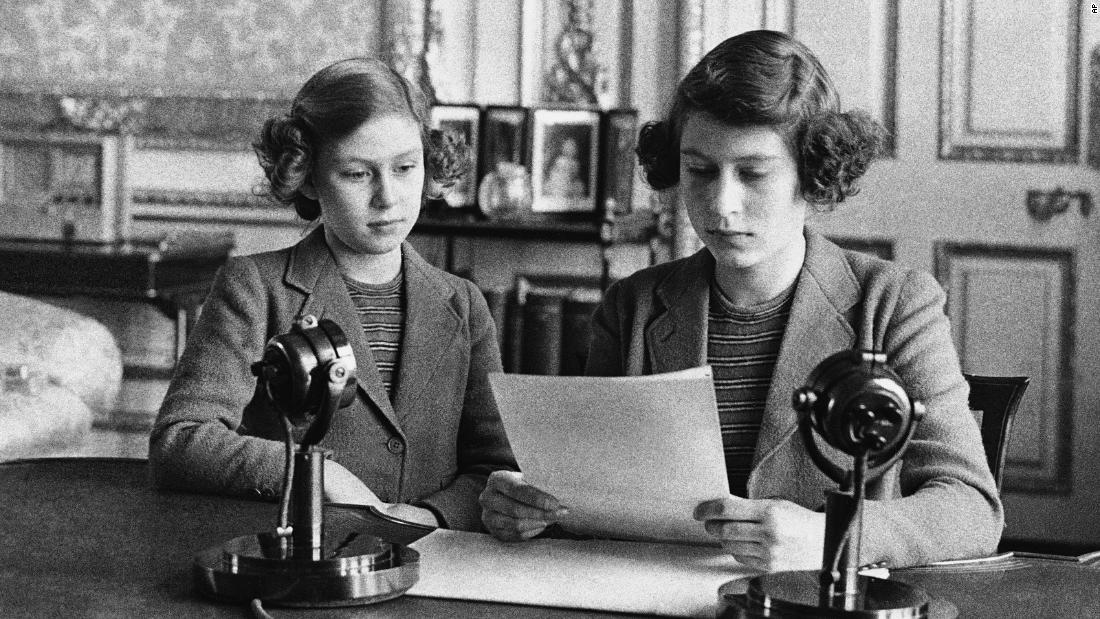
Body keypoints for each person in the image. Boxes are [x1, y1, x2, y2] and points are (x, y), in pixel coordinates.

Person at [478, 30, 1002, 570]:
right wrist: (524, 506)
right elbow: (588, 493)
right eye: (700, 170)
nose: (722, 204)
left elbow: (970, 508)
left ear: (815, 174)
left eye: (753, 173)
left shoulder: (896, 306)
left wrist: (833, 536)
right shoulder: (630, 307)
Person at [149, 58, 516, 531]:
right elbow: (180, 442)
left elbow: (494, 470)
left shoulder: (464, 305)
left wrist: (426, 517)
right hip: (297, 562)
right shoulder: (254, 289)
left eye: (405, 168)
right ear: (308, 175)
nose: (388, 197)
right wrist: (314, 475)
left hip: (432, 565)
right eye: (358, 175)